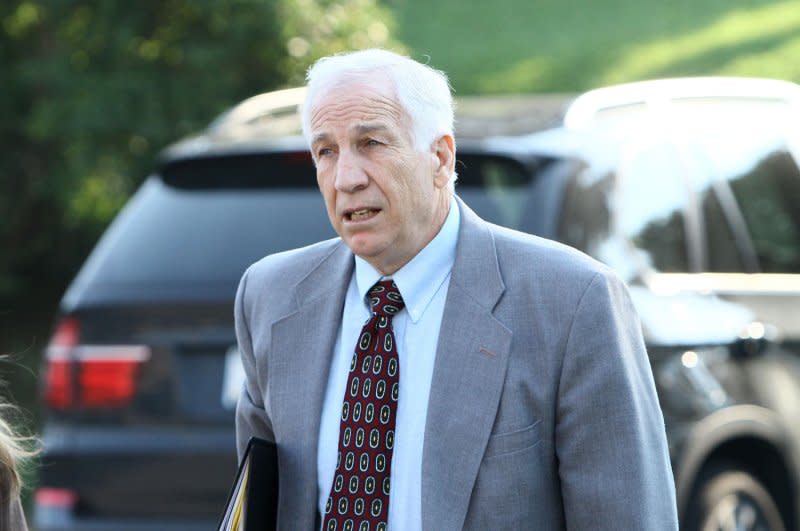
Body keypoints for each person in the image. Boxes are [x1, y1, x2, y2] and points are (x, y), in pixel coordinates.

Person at [235, 48, 678, 529]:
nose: (347, 178)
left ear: (441, 158)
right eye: (326, 151)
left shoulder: (573, 302)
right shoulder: (271, 295)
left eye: (372, 143)